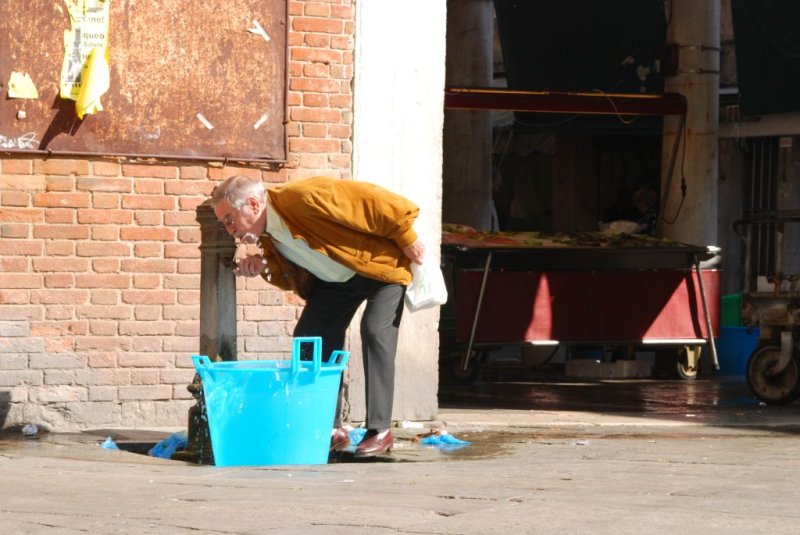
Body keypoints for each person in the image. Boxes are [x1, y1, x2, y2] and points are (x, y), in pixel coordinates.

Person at [210, 175, 425, 458]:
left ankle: (380, 430)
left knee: (374, 330)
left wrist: (407, 238)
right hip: (335, 283)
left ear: (252, 204)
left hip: (379, 268)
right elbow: (290, 278)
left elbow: (373, 200)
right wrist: (262, 266)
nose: (229, 230)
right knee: (310, 338)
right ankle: (329, 428)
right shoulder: (266, 235)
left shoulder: (302, 197)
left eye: (229, 219)